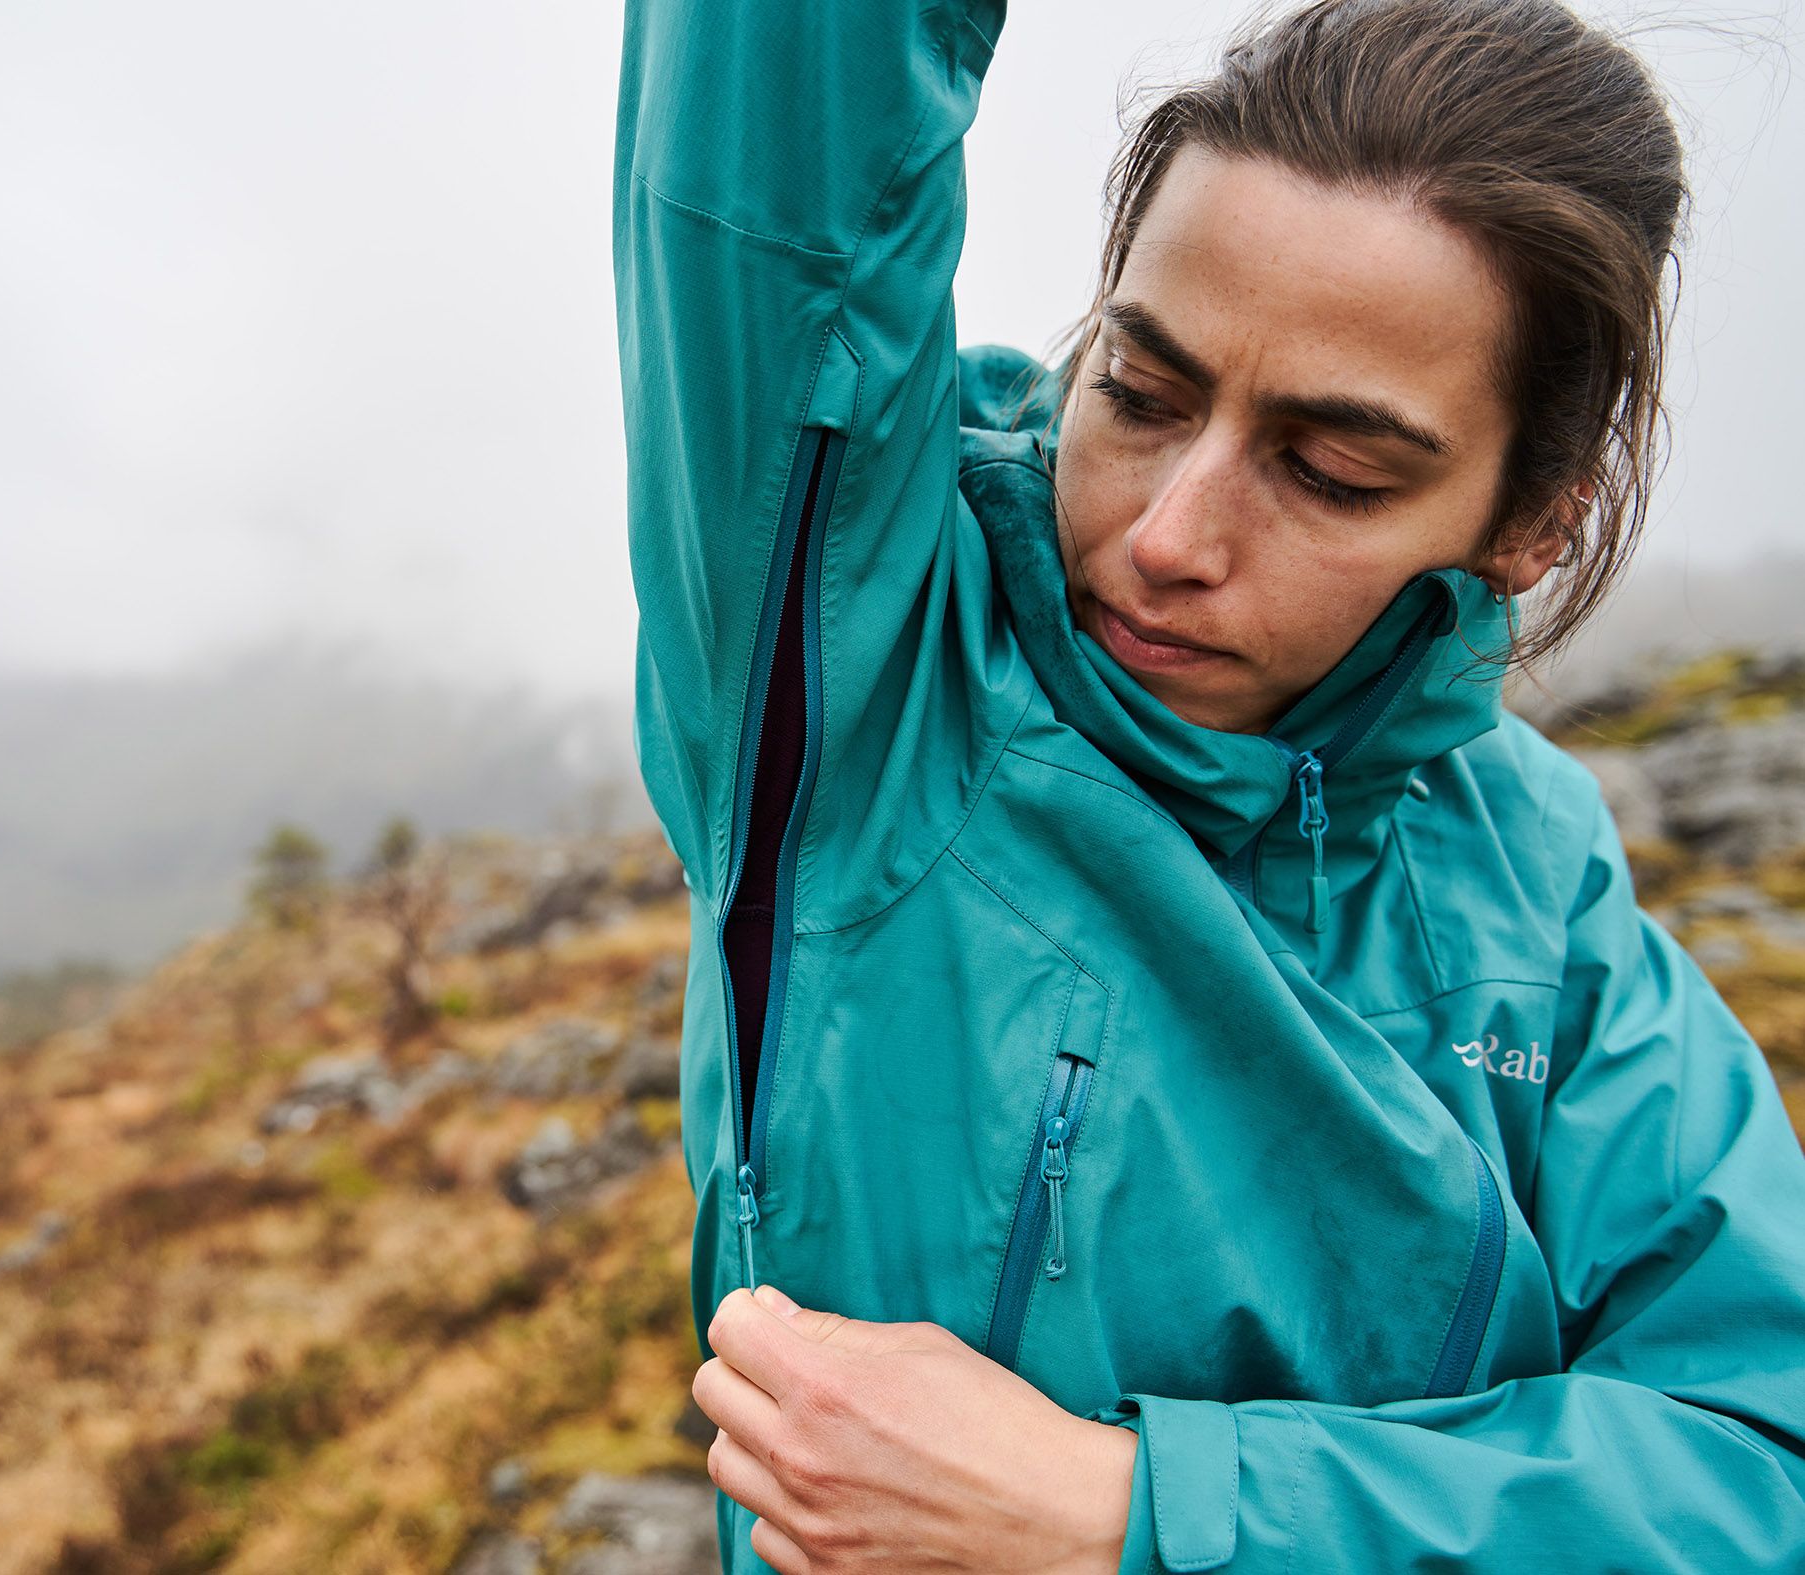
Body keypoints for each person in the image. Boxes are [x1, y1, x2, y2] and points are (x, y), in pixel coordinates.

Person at [609, 0, 1805, 1569]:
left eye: (1332, 473)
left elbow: (1759, 1460)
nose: (1168, 534)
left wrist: (1132, 1515)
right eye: (1140, 391)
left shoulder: (1536, 873)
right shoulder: (863, 678)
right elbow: (780, 115)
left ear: (1532, 526)